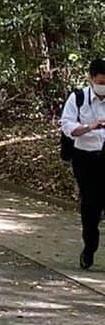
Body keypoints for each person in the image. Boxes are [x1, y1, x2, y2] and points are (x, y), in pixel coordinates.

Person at [61, 58, 105, 269]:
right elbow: (67, 127)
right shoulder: (77, 98)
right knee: (91, 206)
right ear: (91, 79)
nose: (103, 86)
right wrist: (90, 127)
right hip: (85, 158)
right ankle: (90, 247)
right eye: (101, 82)